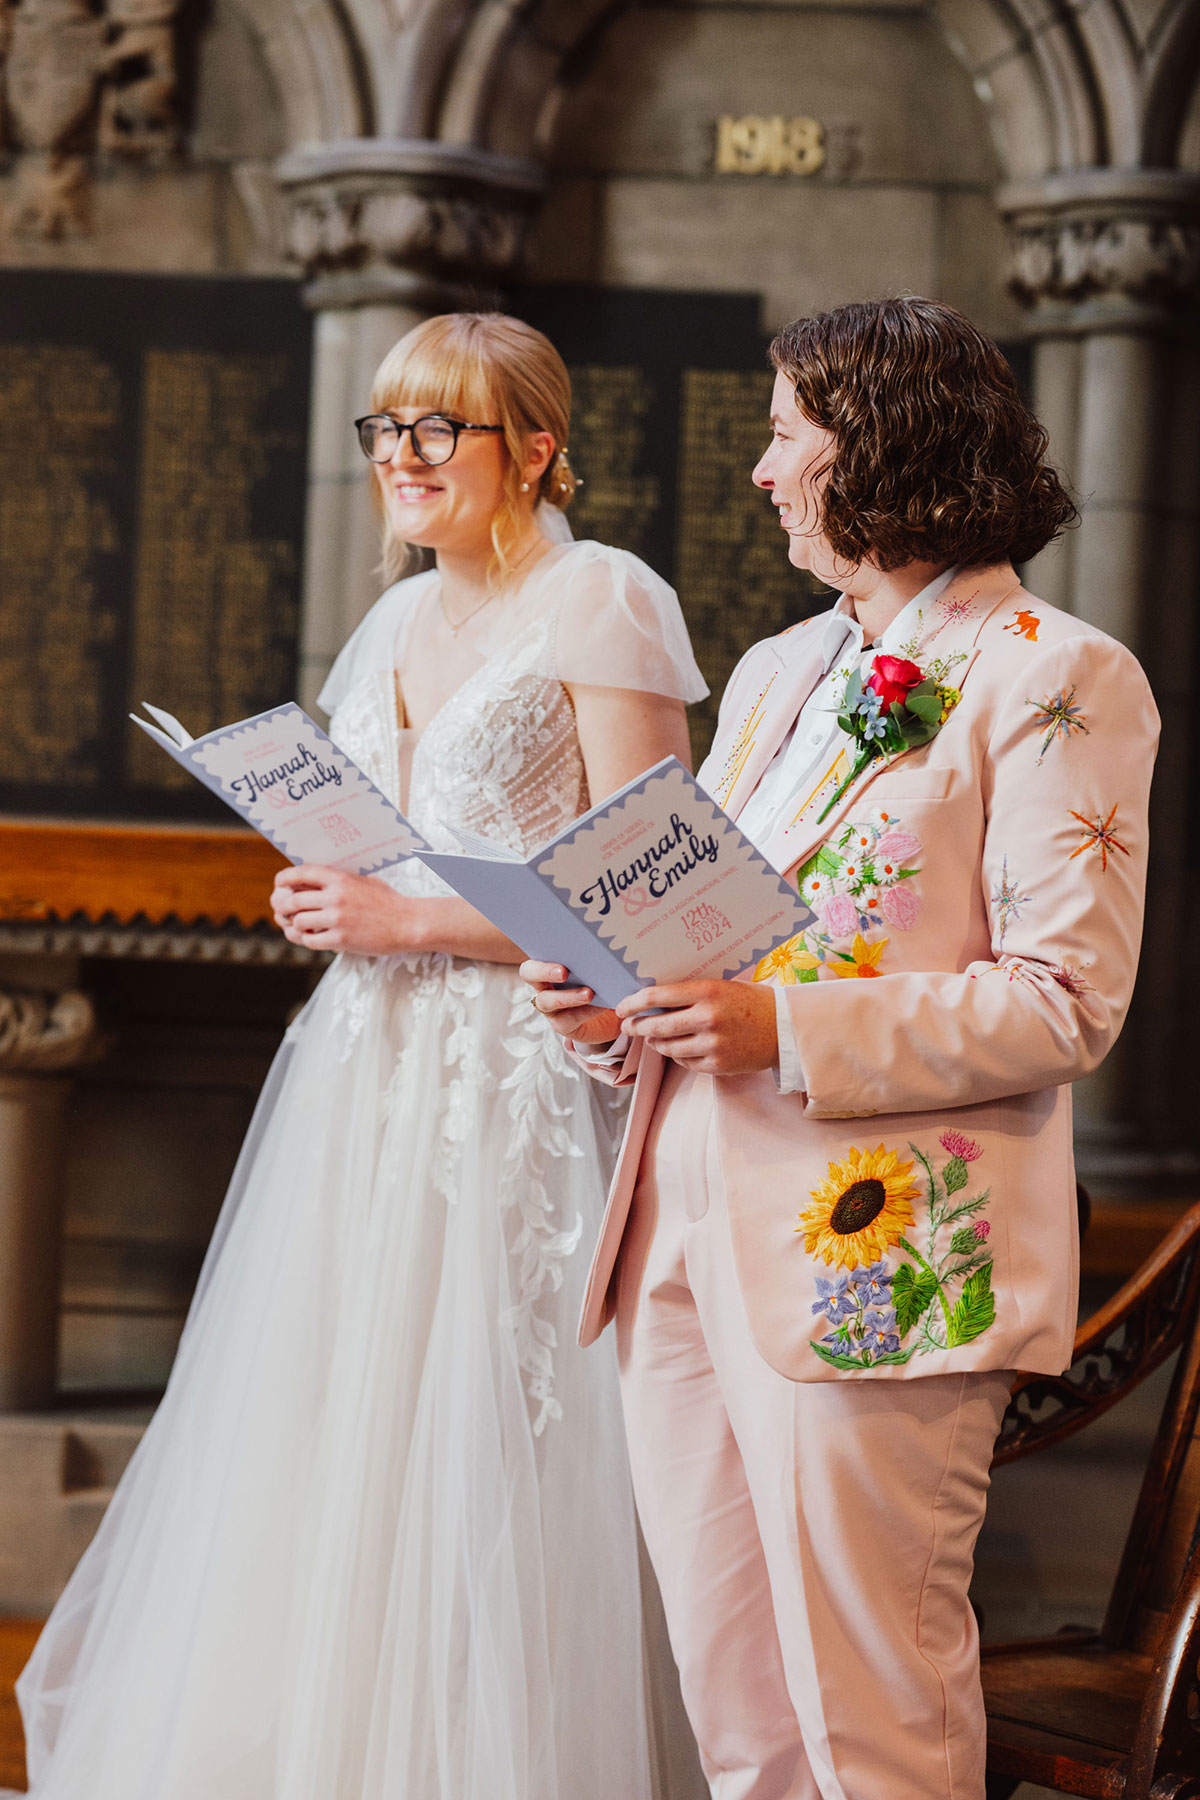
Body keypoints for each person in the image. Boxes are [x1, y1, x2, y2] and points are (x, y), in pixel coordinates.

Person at [13, 313, 709, 1800]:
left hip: (522, 1076)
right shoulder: (391, 623)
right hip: (364, 1065)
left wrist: (409, 912)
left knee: (495, 1436)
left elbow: (652, 900)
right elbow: (393, 847)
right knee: (338, 1426)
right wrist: (333, 892)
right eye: (384, 431)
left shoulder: (608, 602)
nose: (402, 459)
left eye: (436, 429)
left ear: (532, 444)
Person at [524, 295, 1159, 1800]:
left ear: (883, 443)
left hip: (869, 1249)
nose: (759, 471)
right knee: (738, 1713)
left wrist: (783, 1028)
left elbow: (1068, 998)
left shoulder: (1057, 672)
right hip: (676, 1230)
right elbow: (722, 944)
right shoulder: (772, 675)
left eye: (783, 434)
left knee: (867, 1716)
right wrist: (627, 1005)